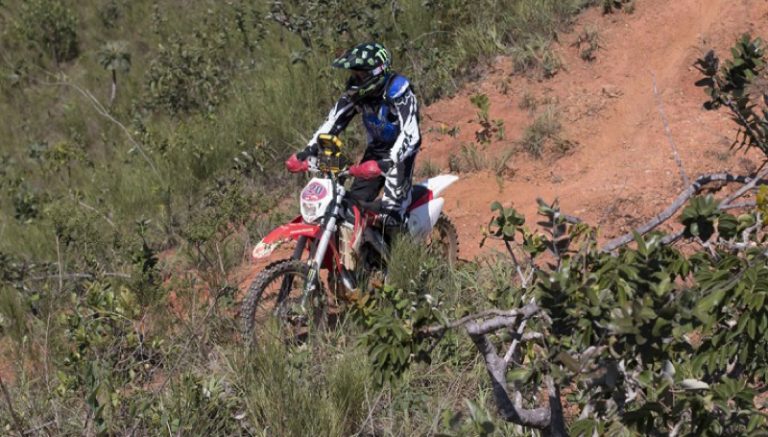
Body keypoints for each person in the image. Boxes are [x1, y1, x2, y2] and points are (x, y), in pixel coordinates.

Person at [285, 42, 421, 226]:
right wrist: (307, 152)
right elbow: (332, 122)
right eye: (354, 74)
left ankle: (406, 243)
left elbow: (411, 134)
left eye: (360, 75)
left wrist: (388, 163)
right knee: (353, 207)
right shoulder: (355, 95)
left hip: (401, 154)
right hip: (377, 149)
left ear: (377, 72)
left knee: (392, 214)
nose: (355, 80)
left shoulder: (398, 90)